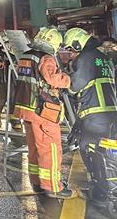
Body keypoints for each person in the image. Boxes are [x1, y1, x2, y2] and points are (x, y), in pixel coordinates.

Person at [13, 27, 74, 199]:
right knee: (51, 149)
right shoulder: (46, 58)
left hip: (25, 109)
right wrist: (69, 80)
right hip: (42, 111)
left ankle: (37, 182)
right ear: (53, 42)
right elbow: (51, 79)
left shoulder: (26, 55)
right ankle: (53, 186)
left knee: (34, 148)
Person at [64, 27, 117, 205]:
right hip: (111, 114)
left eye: (71, 49)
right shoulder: (103, 56)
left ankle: (101, 191)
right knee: (107, 152)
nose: (70, 53)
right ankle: (107, 187)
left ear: (78, 44)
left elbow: (75, 86)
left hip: (95, 115)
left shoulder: (85, 58)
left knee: (90, 148)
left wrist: (64, 78)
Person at [0, 46, 22, 131]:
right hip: (1, 82)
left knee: (13, 100)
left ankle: (14, 120)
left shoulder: (15, 55)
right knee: (0, 100)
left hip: (13, 82)